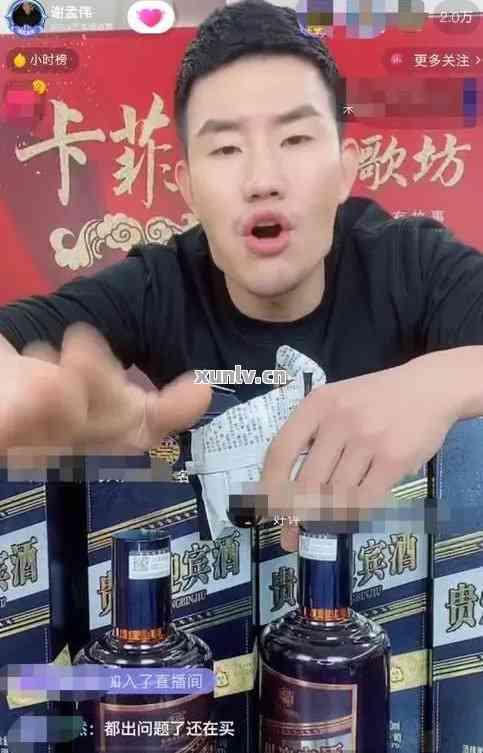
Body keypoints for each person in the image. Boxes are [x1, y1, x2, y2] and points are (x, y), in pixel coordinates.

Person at [1, 0, 483, 551]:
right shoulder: (161, 283)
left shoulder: (411, 262)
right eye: (227, 147)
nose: (262, 180)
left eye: (295, 139)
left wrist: (438, 382)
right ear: (187, 187)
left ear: (345, 169)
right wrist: (25, 400)